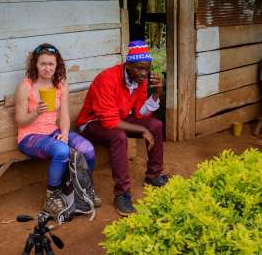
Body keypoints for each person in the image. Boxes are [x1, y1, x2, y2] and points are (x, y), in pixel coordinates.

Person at [77, 40, 167, 217]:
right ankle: (122, 194)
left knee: (156, 125)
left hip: (118, 118)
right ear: (128, 65)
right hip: (92, 123)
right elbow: (109, 123)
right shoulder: (107, 79)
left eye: (147, 69)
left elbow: (141, 114)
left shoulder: (139, 80)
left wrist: (157, 94)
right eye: (139, 69)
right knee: (118, 136)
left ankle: (153, 175)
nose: (144, 74)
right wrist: (142, 130)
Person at [15, 43, 98, 221]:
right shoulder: (26, 86)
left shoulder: (60, 85)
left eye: (51, 64)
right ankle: (52, 197)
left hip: (53, 131)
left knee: (88, 149)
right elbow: (20, 120)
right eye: (42, 64)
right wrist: (36, 112)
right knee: (62, 150)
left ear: (57, 65)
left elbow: (65, 114)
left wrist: (66, 133)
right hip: (30, 136)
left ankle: (85, 189)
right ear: (35, 65)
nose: (47, 68)